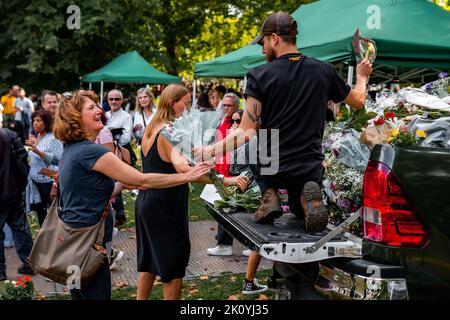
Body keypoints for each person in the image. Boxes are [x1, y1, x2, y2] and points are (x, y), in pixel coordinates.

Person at [194, 11, 372, 294]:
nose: (262, 48)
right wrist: (361, 77)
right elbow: (359, 102)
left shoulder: (259, 74)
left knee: (255, 145)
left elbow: (245, 132)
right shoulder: (323, 70)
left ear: (274, 38)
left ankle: (269, 195)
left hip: (273, 167)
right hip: (311, 165)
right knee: (306, 202)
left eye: (263, 42)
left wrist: (210, 150)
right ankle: (305, 197)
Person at [53, 90, 211, 300]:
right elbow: (143, 179)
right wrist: (187, 176)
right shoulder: (90, 152)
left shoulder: (72, 149)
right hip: (89, 245)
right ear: (75, 117)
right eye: (91, 108)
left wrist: (121, 184)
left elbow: (90, 192)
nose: (100, 110)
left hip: (73, 241)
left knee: (80, 295)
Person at [136, 84, 247, 300]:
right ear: (172, 103)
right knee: (174, 269)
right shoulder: (169, 132)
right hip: (166, 206)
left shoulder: (151, 128)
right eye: (185, 105)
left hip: (146, 200)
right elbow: (186, 171)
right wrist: (228, 180)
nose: (187, 110)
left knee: (147, 264)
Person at [206, 94, 249, 257]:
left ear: (237, 106)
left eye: (228, 106)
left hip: (236, 172)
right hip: (223, 170)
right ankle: (224, 240)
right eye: (223, 105)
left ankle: (226, 243)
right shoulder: (222, 121)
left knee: (232, 208)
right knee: (224, 207)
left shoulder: (243, 126)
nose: (225, 108)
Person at [0, 128, 35, 281]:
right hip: (13, 191)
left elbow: (22, 161)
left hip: (9, 191)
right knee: (20, 228)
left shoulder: (8, 135)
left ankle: (1, 271)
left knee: (18, 228)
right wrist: (20, 184)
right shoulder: (9, 135)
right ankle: (30, 263)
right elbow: (23, 162)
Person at [25, 109, 63, 226]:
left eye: (38, 120)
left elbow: (58, 161)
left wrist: (37, 151)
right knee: (41, 213)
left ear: (46, 122)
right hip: (37, 183)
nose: (35, 123)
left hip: (49, 182)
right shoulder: (39, 137)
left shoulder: (53, 138)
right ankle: (44, 240)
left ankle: (56, 240)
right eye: (34, 121)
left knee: (54, 213)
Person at [105, 89, 135, 226]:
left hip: (119, 153)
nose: (114, 102)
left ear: (121, 101)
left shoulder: (126, 116)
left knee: (117, 181)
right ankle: (116, 213)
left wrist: (110, 141)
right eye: (111, 99)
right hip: (106, 153)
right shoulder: (104, 115)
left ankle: (119, 214)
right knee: (108, 181)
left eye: (117, 99)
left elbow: (126, 138)